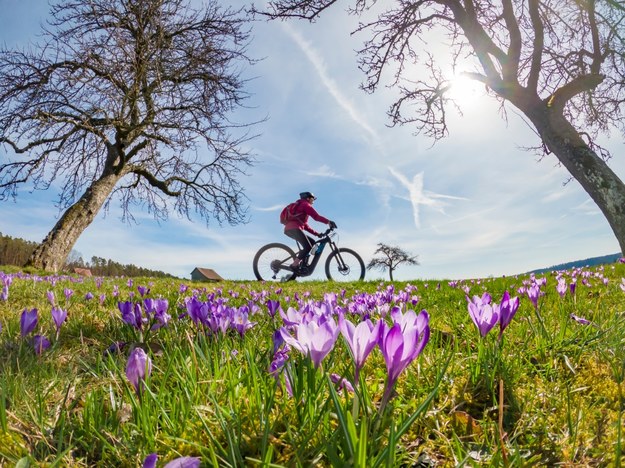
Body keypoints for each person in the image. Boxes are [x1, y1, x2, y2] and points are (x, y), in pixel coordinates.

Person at [283, 191, 337, 268]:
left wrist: (317, 234)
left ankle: (303, 264)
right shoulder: (305, 205)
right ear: (308, 198)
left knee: (312, 242)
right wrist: (328, 222)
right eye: (312, 199)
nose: (313, 201)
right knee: (308, 246)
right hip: (294, 229)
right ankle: (294, 266)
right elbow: (316, 217)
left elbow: (305, 226)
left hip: (289, 229)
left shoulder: (300, 206)